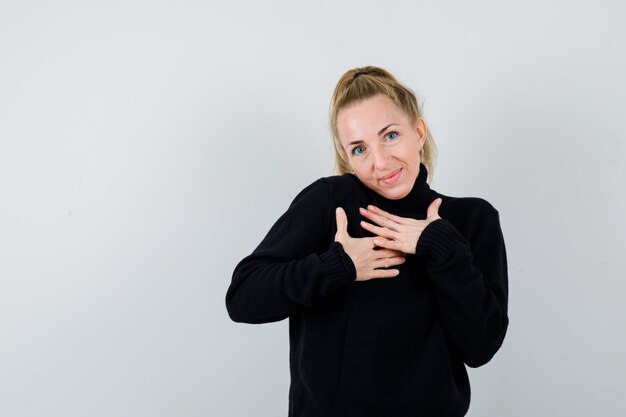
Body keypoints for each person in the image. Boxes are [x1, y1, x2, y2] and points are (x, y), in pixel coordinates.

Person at [225, 66, 508, 417]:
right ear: (347, 158)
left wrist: (441, 247)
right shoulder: (332, 202)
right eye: (359, 149)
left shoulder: (471, 220)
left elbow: (481, 346)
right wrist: (338, 266)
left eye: (390, 136)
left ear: (418, 132)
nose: (380, 162)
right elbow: (243, 298)